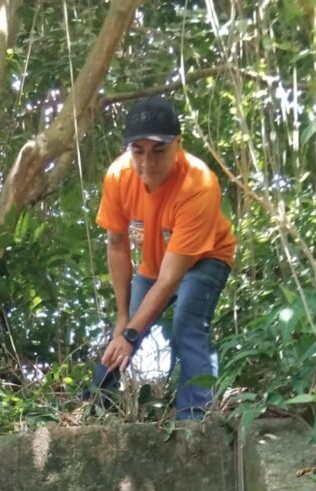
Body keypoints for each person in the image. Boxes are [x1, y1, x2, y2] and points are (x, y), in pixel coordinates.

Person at [88, 96, 236, 418]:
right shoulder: (118, 177)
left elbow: (172, 278)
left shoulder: (199, 184)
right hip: (153, 265)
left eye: (158, 150)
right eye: (137, 151)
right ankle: (90, 408)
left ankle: (196, 422)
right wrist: (123, 319)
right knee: (124, 332)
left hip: (205, 258)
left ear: (178, 145)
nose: (146, 163)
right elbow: (117, 244)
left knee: (187, 323)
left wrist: (131, 330)